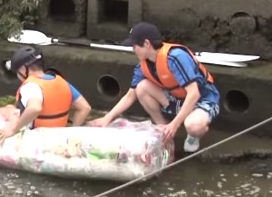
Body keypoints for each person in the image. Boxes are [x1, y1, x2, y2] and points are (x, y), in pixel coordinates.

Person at [88, 22, 221, 153]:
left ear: (147, 43)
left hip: (203, 98)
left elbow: (194, 94)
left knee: (193, 126)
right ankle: (163, 129)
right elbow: (130, 96)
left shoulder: (176, 57)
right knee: (141, 87)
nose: (133, 50)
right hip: (177, 98)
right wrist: (107, 118)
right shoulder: (143, 66)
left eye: (135, 46)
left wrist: (174, 125)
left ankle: (192, 135)